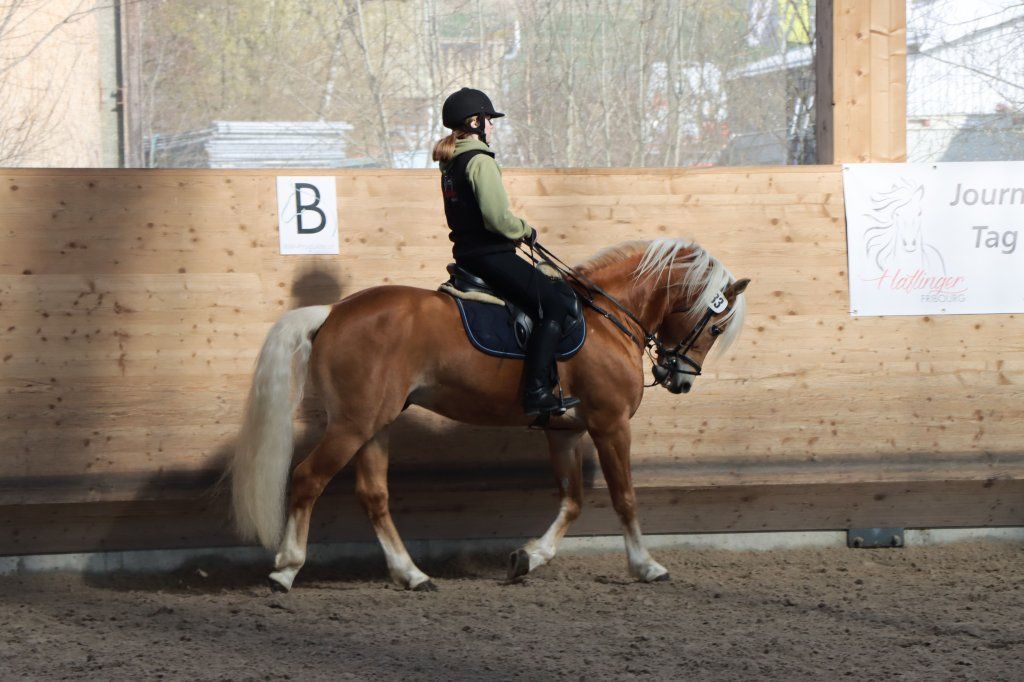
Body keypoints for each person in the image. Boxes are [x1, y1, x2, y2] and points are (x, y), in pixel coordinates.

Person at [433, 87, 580, 418]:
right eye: (489, 120)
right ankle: (537, 391)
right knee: (554, 305)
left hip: (468, 255)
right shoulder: (479, 161)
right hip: (491, 255)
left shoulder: (451, 164)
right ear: (475, 122)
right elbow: (498, 219)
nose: (492, 126)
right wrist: (524, 230)